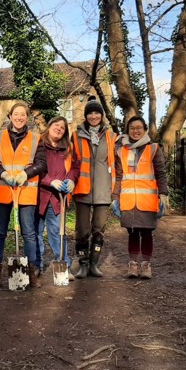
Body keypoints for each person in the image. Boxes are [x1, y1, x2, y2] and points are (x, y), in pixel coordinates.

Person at [0, 102, 47, 288]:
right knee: (0, 232)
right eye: (16, 114)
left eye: (23, 114)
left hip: (26, 192)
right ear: (10, 116)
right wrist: (3, 173)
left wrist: (27, 174)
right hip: (2, 192)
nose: (19, 117)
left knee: (29, 233)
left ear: (27, 117)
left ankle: (31, 271)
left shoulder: (35, 138)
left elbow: (41, 163)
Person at [112, 115, 169, 279]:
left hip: (148, 200)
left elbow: (161, 173)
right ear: (127, 131)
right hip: (128, 200)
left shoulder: (154, 149)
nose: (135, 131)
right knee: (132, 233)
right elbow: (119, 175)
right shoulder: (121, 150)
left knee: (146, 233)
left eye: (139, 128)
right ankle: (133, 265)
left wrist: (163, 194)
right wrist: (115, 197)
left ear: (144, 130)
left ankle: (146, 265)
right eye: (132, 128)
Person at [71, 96, 120, 279]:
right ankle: (83, 264)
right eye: (90, 113)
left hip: (103, 190)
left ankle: (94, 264)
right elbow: (71, 160)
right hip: (82, 189)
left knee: (99, 229)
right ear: (85, 116)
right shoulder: (76, 135)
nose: (93, 116)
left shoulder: (111, 136)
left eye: (96, 113)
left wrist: (116, 191)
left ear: (102, 115)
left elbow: (119, 163)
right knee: (82, 231)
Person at [35, 116, 80, 282]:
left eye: (62, 127)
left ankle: (64, 266)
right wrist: (48, 180)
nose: (59, 128)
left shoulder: (68, 148)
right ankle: (36, 266)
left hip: (57, 197)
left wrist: (71, 180)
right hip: (38, 195)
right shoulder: (38, 143)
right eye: (56, 125)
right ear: (49, 126)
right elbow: (32, 167)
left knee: (58, 233)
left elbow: (75, 167)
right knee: (35, 233)